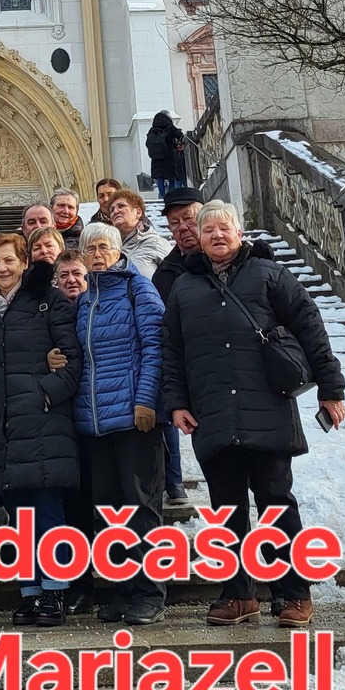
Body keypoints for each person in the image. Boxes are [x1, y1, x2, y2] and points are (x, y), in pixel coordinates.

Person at [162, 201, 345, 629]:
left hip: (267, 408)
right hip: (212, 413)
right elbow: (172, 350)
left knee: (276, 505)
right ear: (199, 238)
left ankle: (293, 593)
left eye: (224, 228)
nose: (217, 235)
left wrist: (331, 389)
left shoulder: (269, 274)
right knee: (226, 511)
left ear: (239, 233)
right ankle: (238, 594)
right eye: (209, 230)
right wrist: (176, 402)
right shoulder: (184, 288)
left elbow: (310, 327)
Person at [0, 232, 82, 626]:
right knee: (18, 515)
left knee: (47, 510)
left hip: (41, 421)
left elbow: (72, 359)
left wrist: (46, 393)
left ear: (24, 262)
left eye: (9, 260)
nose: (2, 268)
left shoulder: (48, 301)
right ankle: (30, 592)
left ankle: (55, 590)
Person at [72, 221, 167, 624]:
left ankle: (150, 593)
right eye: (90, 249)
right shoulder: (83, 299)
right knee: (108, 511)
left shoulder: (137, 288)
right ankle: (122, 589)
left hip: (133, 417)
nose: (97, 255)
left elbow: (155, 345)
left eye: (103, 248)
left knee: (142, 508)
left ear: (118, 252)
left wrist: (146, 400)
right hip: (95, 422)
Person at [151, 188, 203, 519]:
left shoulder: (243, 262)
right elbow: (164, 336)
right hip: (194, 378)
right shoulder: (166, 273)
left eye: (189, 219)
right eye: (174, 223)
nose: (183, 227)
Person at [109, 188, 173, 280]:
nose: (115, 211)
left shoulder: (155, 243)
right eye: (112, 210)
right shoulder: (108, 249)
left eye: (121, 206)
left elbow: (176, 278)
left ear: (138, 212)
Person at [145, 110, 190, 196]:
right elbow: (180, 136)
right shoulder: (170, 128)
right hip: (168, 156)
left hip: (156, 158)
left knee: (160, 178)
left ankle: (162, 196)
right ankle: (171, 196)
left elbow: (147, 143)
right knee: (172, 177)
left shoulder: (152, 130)